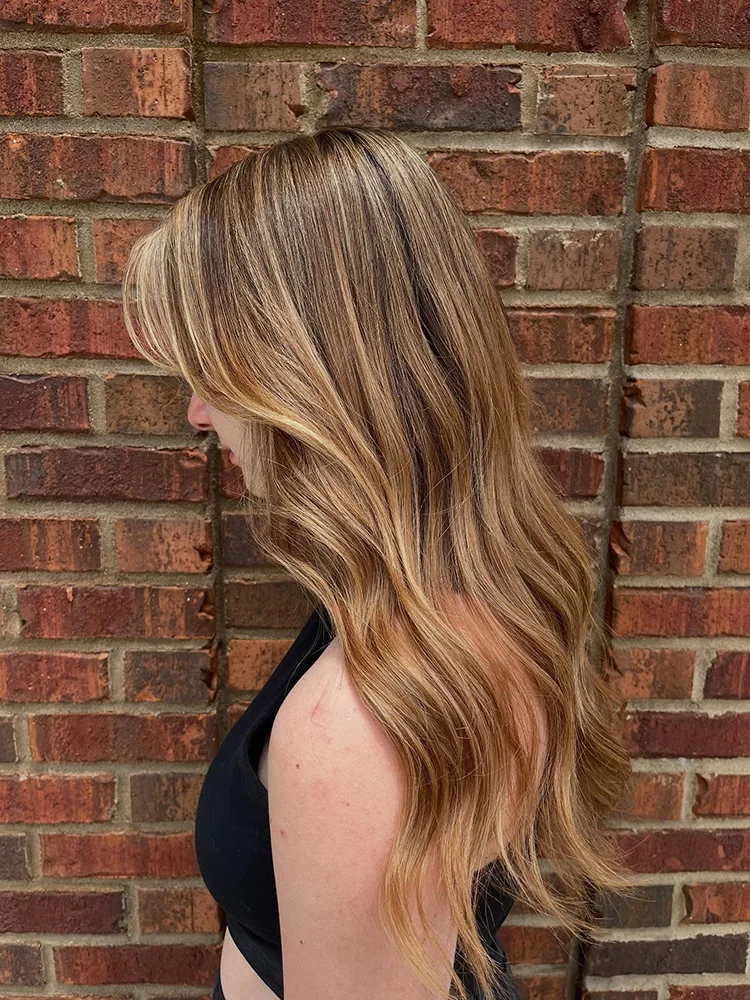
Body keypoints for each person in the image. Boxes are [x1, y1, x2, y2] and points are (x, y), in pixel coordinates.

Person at [121, 125, 635, 1000]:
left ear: (307, 380)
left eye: (216, 371)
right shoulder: (465, 595)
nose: (199, 411)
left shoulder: (356, 727)